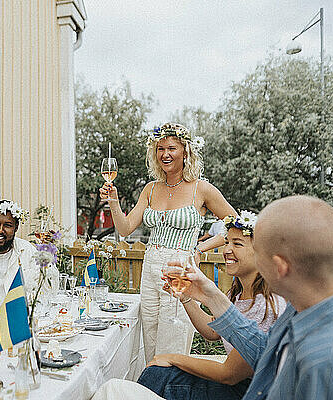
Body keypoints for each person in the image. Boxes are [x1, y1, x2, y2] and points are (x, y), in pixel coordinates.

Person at [181, 195, 333, 399]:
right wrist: (211, 296)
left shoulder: (326, 363)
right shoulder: (302, 307)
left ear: (280, 267)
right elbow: (265, 352)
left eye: (259, 253)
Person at [99, 122, 236, 362]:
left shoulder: (201, 189)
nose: (165, 154)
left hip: (180, 269)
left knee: (173, 339)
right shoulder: (150, 189)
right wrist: (113, 201)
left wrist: (199, 247)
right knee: (149, 340)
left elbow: (234, 225)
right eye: (160, 149)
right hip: (150, 268)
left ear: (186, 151)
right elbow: (125, 228)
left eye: (171, 148)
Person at [138, 211, 286, 399]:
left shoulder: (267, 304)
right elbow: (212, 332)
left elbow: (229, 374)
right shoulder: (237, 293)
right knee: (158, 373)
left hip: (250, 391)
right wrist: (185, 298)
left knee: (158, 375)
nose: (226, 250)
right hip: (237, 384)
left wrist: (171, 357)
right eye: (226, 242)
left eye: (237, 244)